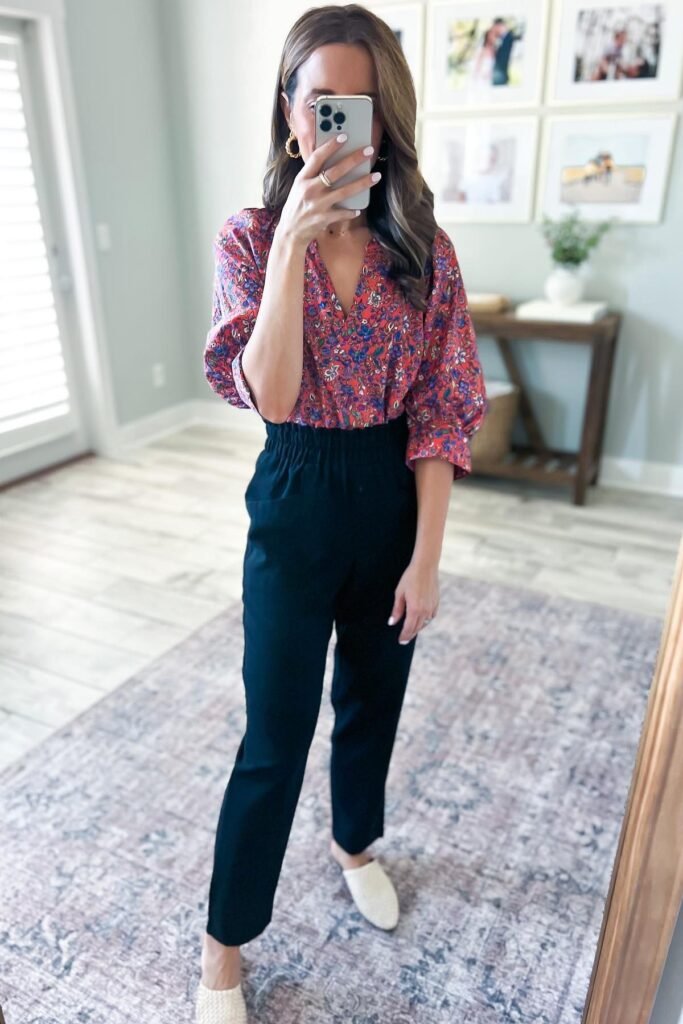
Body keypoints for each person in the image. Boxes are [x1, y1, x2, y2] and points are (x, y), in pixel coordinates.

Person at [195, 5, 487, 1022]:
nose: (329, 124)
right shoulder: (246, 237)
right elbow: (270, 395)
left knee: (372, 700)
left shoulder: (424, 250)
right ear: (288, 114)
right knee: (271, 731)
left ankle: (353, 839)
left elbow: (445, 406)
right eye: (312, 101)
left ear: (380, 116)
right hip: (294, 492)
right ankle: (223, 950)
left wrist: (429, 557)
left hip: (389, 498)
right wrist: (290, 252)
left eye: (349, 105)